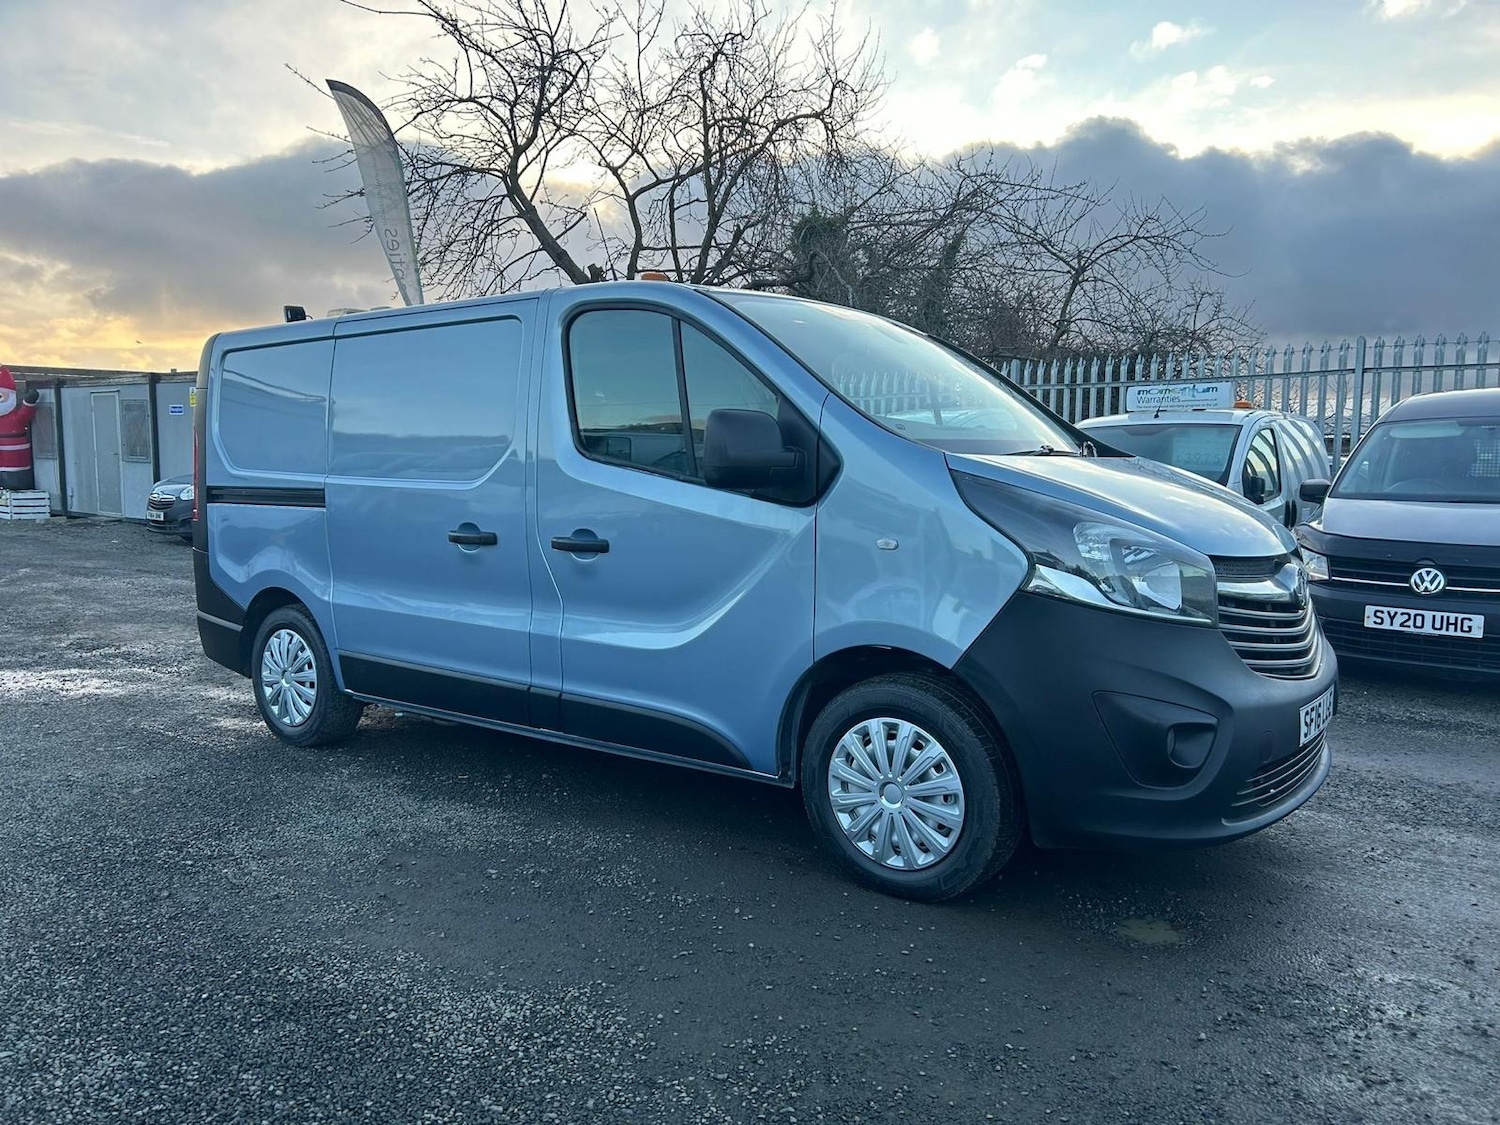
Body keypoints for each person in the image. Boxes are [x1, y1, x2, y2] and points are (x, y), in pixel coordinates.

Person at [0, 365, 40, 491]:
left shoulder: (14, 418)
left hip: (17, 462)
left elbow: (24, 414)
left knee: (16, 483)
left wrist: (29, 401)